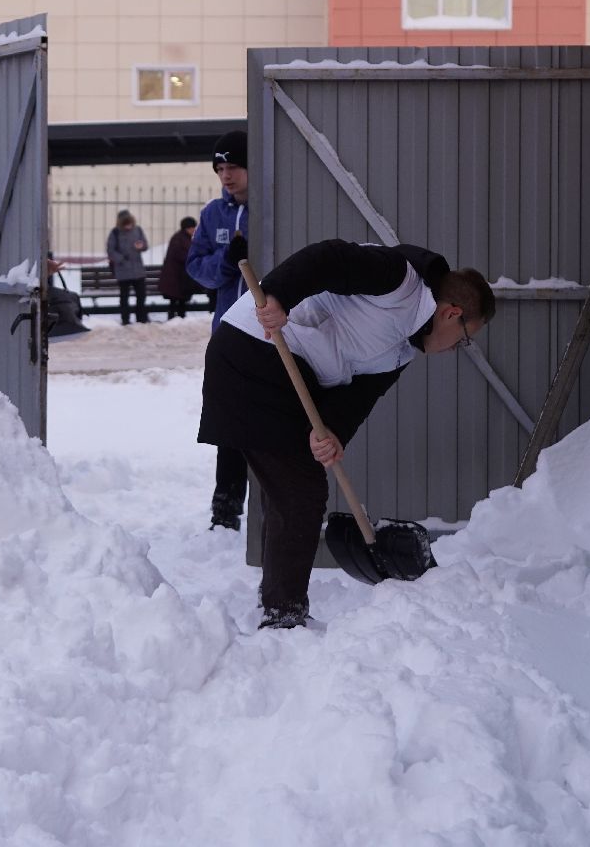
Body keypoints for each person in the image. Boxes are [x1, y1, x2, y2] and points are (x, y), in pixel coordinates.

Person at [197, 238, 496, 630]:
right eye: (465, 338)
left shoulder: (404, 349)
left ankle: (278, 604)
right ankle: (283, 614)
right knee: (300, 492)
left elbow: (359, 397)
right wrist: (280, 297)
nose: (457, 348)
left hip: (292, 375)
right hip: (257, 350)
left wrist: (333, 431)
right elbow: (328, 258)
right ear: (451, 313)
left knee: (290, 489)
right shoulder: (398, 280)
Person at [186, 130, 251, 530]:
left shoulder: (273, 206)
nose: (226, 175)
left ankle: (276, 510)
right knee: (229, 423)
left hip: (275, 333)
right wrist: (227, 261)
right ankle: (225, 510)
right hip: (229, 334)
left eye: (234, 166)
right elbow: (197, 268)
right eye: (220, 168)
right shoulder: (213, 214)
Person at [105, 209, 149, 325]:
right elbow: (110, 250)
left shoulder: (138, 230)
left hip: (138, 270)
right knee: (124, 297)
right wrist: (121, 259)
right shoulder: (115, 233)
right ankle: (125, 319)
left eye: (129, 223)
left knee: (141, 295)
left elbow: (145, 245)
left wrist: (141, 246)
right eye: (125, 224)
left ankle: (141, 318)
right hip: (123, 270)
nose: (128, 226)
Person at [157, 216, 200, 320]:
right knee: (175, 299)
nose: (193, 230)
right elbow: (180, 255)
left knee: (181, 299)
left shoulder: (185, 238)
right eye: (191, 228)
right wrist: (192, 258)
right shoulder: (179, 238)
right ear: (186, 228)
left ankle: (180, 318)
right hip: (175, 276)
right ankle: (175, 318)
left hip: (180, 276)